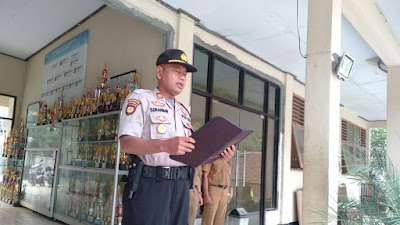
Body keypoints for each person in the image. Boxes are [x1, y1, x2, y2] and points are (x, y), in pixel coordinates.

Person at [118, 48, 235, 225]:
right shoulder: (142, 99)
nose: (182, 77)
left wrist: (218, 154)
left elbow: (192, 153)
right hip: (151, 185)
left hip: (182, 187)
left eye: (184, 74)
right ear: (159, 71)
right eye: (176, 71)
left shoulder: (183, 111)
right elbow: (126, 143)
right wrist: (164, 145)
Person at [201, 157, 232, 225]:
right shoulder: (211, 157)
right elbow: (205, 175)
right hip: (214, 189)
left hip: (224, 191)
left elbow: (228, 177)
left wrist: (228, 193)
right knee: (208, 218)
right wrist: (206, 194)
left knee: (220, 219)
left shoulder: (226, 159)